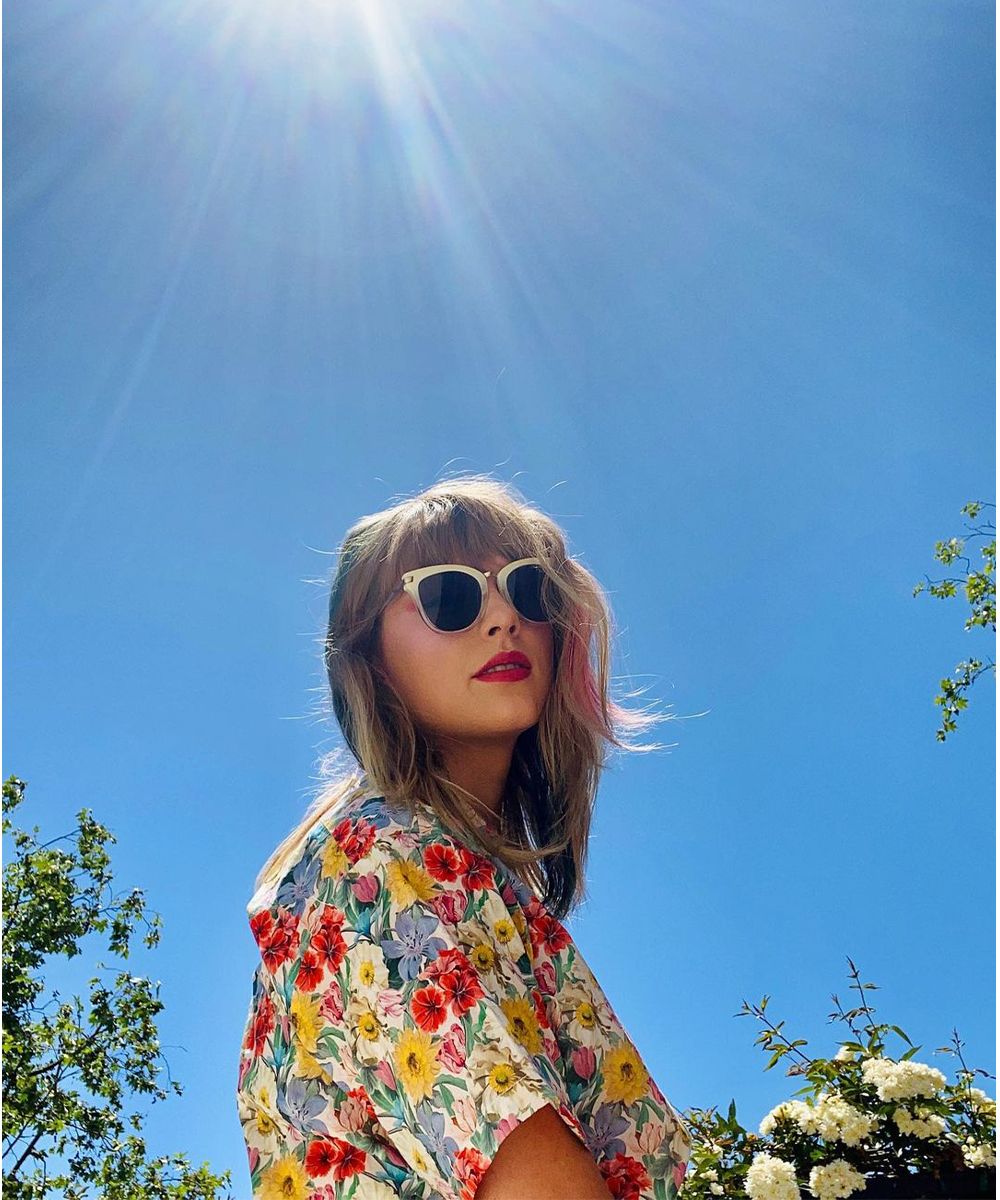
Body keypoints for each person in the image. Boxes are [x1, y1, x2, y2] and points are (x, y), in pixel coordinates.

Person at [236, 475, 692, 1200]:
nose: (505, 617)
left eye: (530, 589)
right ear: (368, 658)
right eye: (451, 595)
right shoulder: (380, 858)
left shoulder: (460, 869)